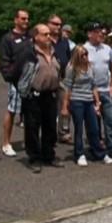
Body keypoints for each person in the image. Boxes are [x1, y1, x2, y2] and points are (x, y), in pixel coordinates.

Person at [14, 24, 65, 173]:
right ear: (36, 36)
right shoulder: (29, 53)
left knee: (50, 126)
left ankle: (49, 155)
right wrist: (23, 88)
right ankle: (34, 158)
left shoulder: (54, 52)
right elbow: (16, 72)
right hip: (34, 95)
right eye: (45, 34)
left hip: (51, 94)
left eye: (49, 34)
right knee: (32, 127)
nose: (49, 37)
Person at [61, 45, 112, 167]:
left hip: (89, 100)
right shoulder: (71, 68)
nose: (85, 57)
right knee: (79, 129)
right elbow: (67, 87)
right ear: (77, 56)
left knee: (94, 128)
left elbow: (94, 85)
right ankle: (79, 154)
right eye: (82, 55)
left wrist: (97, 102)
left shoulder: (90, 67)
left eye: (86, 54)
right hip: (76, 100)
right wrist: (65, 106)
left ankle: (99, 153)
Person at [83, 22, 112, 161]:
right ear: (89, 34)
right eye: (97, 31)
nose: (101, 34)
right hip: (89, 92)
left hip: (105, 90)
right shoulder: (83, 49)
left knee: (111, 121)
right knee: (93, 123)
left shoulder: (107, 48)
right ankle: (95, 148)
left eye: (102, 31)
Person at [0, 9, 30, 157]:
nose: (25, 21)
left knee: (30, 112)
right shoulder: (8, 38)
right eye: (23, 19)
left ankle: (30, 141)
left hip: (30, 81)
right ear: (15, 20)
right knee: (12, 111)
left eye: (27, 19)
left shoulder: (30, 37)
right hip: (16, 81)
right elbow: (4, 61)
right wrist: (10, 76)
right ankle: (6, 143)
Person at [47, 14, 73, 144]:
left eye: (59, 24)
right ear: (48, 24)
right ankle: (49, 134)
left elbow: (68, 58)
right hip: (49, 78)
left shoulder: (64, 41)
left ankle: (64, 132)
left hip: (63, 78)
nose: (58, 27)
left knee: (65, 105)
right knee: (49, 108)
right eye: (55, 24)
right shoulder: (44, 39)